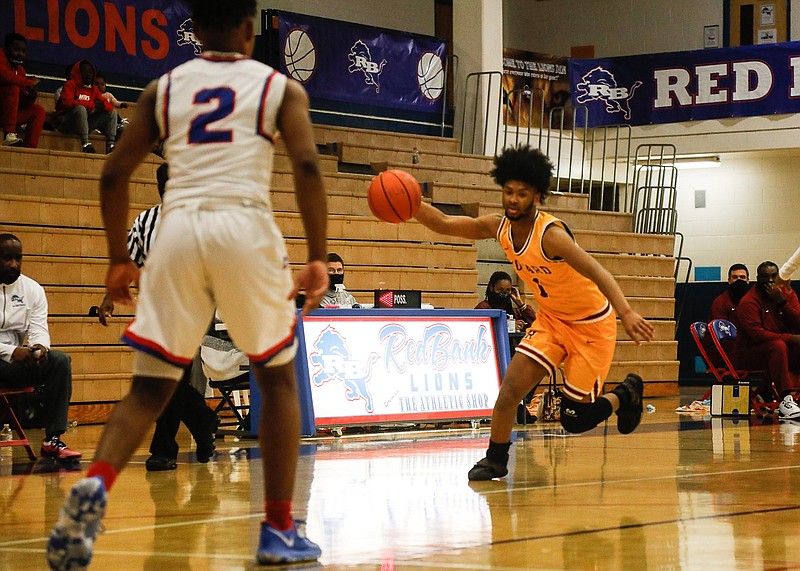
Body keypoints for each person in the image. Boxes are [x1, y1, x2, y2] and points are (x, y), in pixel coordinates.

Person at [47, 1, 328, 568]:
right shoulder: (279, 89)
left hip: (175, 231)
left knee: (149, 390)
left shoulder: (163, 89)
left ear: (193, 30)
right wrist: (318, 256)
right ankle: (277, 530)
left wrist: (117, 260)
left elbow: (112, 173)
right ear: (251, 30)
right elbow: (306, 169)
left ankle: (96, 486)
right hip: (244, 226)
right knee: (275, 379)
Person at [412, 144, 654, 481]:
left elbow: (599, 272)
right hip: (552, 321)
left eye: (522, 194)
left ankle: (625, 394)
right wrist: (411, 201)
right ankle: (495, 459)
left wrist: (625, 312)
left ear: (537, 196)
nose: (512, 199)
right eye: (508, 192)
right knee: (510, 391)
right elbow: (444, 223)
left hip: (590, 326)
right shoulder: (499, 227)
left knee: (575, 419)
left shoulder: (551, 236)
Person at [96, 163, 218, 472]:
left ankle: (164, 449)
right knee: (168, 379)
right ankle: (202, 422)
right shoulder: (145, 221)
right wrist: (108, 298)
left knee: (166, 376)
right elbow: (128, 260)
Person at [0, 234, 81, 460]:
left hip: (14, 364)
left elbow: (38, 328)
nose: (14, 264)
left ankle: (52, 439)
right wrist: (11, 351)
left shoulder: (33, 289)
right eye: (7, 258)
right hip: (7, 357)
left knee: (59, 361)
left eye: (18, 258)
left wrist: (40, 347)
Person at [734, 261, 800, 420]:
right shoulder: (749, 301)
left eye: (774, 277)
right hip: (749, 353)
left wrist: (782, 303)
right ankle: (785, 401)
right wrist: (791, 338)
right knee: (778, 346)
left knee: (783, 346)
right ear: (758, 279)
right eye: (765, 278)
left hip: (778, 351)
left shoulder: (784, 293)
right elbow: (757, 335)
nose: (770, 282)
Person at [53, 59, 118, 153]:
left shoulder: (94, 89)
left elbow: (109, 106)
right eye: (85, 72)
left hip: (84, 123)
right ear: (78, 73)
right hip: (66, 123)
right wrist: (91, 104)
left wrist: (103, 106)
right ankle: (85, 144)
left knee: (112, 113)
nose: (88, 74)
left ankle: (110, 146)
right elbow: (67, 103)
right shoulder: (70, 85)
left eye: (91, 72)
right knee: (80, 109)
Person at [0, 33, 44, 148]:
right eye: (16, 50)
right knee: (12, 87)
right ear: (6, 49)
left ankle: (29, 149)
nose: (20, 54)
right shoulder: (1, 57)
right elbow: (4, 76)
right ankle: (9, 134)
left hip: (6, 115)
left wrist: (31, 95)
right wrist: (29, 83)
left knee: (38, 110)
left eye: (23, 51)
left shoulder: (20, 70)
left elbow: (22, 101)